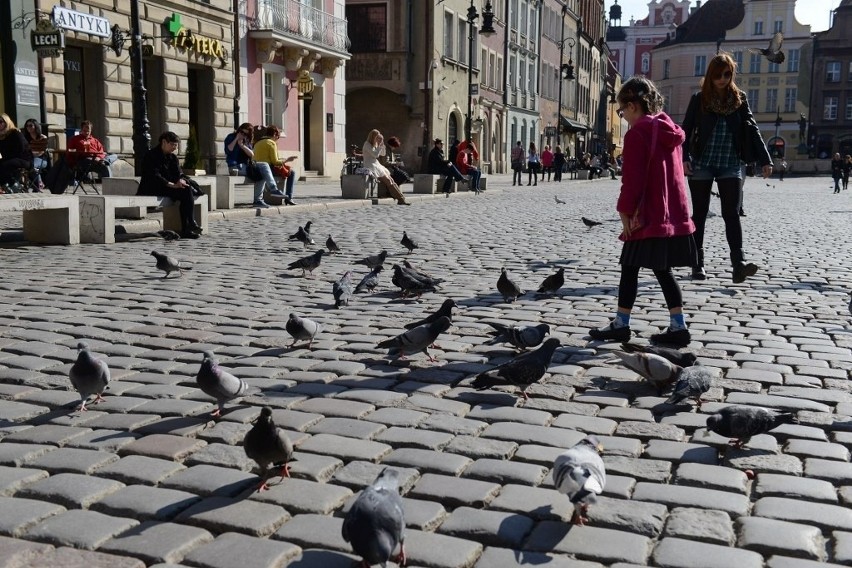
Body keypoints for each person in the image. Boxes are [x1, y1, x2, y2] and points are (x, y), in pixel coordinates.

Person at [588, 76, 697, 347]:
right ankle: (677, 325)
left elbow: (632, 179)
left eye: (622, 109)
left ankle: (622, 325)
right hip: (670, 215)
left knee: (630, 267)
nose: (622, 115)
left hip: (647, 215)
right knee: (662, 270)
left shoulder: (637, 133)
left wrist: (624, 211)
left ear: (634, 105)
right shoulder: (669, 130)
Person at [681, 52, 772, 283]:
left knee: (731, 214)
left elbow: (752, 129)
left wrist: (765, 159)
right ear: (710, 76)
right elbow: (685, 131)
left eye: (727, 74)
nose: (722, 79)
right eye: (718, 75)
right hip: (702, 163)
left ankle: (738, 264)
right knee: (699, 215)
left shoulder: (739, 99)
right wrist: (684, 158)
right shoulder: (699, 99)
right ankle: (697, 263)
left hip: (731, 164)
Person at [137, 131, 202, 239]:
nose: (174, 148)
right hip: (152, 188)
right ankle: (190, 223)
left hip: (167, 187)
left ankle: (187, 227)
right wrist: (171, 185)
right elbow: (154, 176)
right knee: (183, 191)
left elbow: (178, 173)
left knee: (186, 189)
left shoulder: (172, 158)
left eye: (176, 146)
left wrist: (181, 181)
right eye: (172, 145)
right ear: (163, 142)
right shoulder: (151, 155)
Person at [253, 125, 297, 207]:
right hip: (268, 169)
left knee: (286, 169)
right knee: (292, 172)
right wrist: (287, 160)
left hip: (256, 168)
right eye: (278, 137)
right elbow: (275, 162)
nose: (277, 139)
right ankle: (289, 198)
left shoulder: (258, 142)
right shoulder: (271, 143)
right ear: (274, 135)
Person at [362, 129, 409, 205]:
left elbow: (383, 154)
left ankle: (401, 198)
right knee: (388, 180)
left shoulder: (375, 144)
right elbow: (375, 155)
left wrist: (381, 145)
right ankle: (401, 199)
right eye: (377, 138)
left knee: (391, 180)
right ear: (373, 137)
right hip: (370, 165)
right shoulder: (367, 144)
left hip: (376, 164)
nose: (378, 140)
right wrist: (379, 146)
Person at [0, 114, 33, 189]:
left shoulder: (15, 133)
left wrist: (6, 158)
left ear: (6, 122)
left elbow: (20, 150)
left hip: (24, 159)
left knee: (5, 164)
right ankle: (5, 185)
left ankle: (11, 184)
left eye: (1, 122)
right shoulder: (1, 136)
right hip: (10, 159)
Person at [23, 119, 50, 190]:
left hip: (41, 160)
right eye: (27, 126)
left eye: (30, 125)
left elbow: (40, 152)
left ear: (36, 126)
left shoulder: (42, 138)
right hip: (29, 159)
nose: (28, 127)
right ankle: (29, 185)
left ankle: (38, 184)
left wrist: (31, 153)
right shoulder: (25, 138)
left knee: (32, 165)